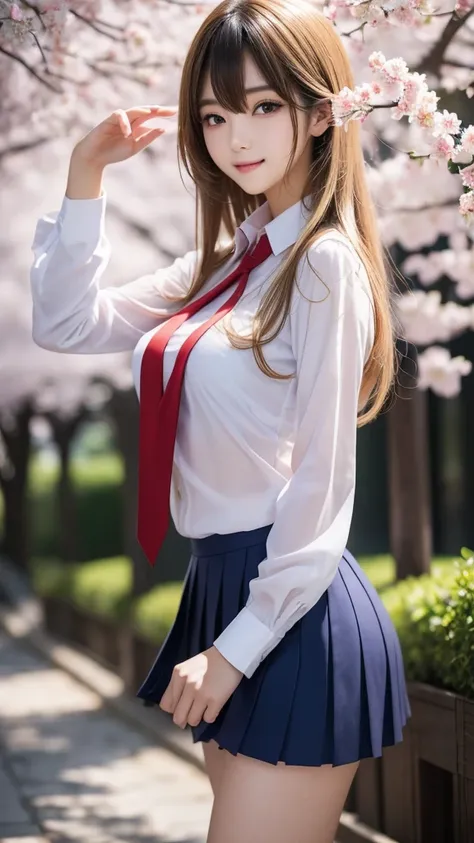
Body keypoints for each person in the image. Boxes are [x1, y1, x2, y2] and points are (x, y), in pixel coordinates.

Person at [30, 0, 411, 839]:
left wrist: (236, 648)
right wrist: (85, 173)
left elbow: (323, 479)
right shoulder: (235, 261)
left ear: (319, 113)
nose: (237, 136)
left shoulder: (323, 266)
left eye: (263, 106)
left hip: (291, 604)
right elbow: (65, 324)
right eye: (215, 113)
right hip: (222, 583)